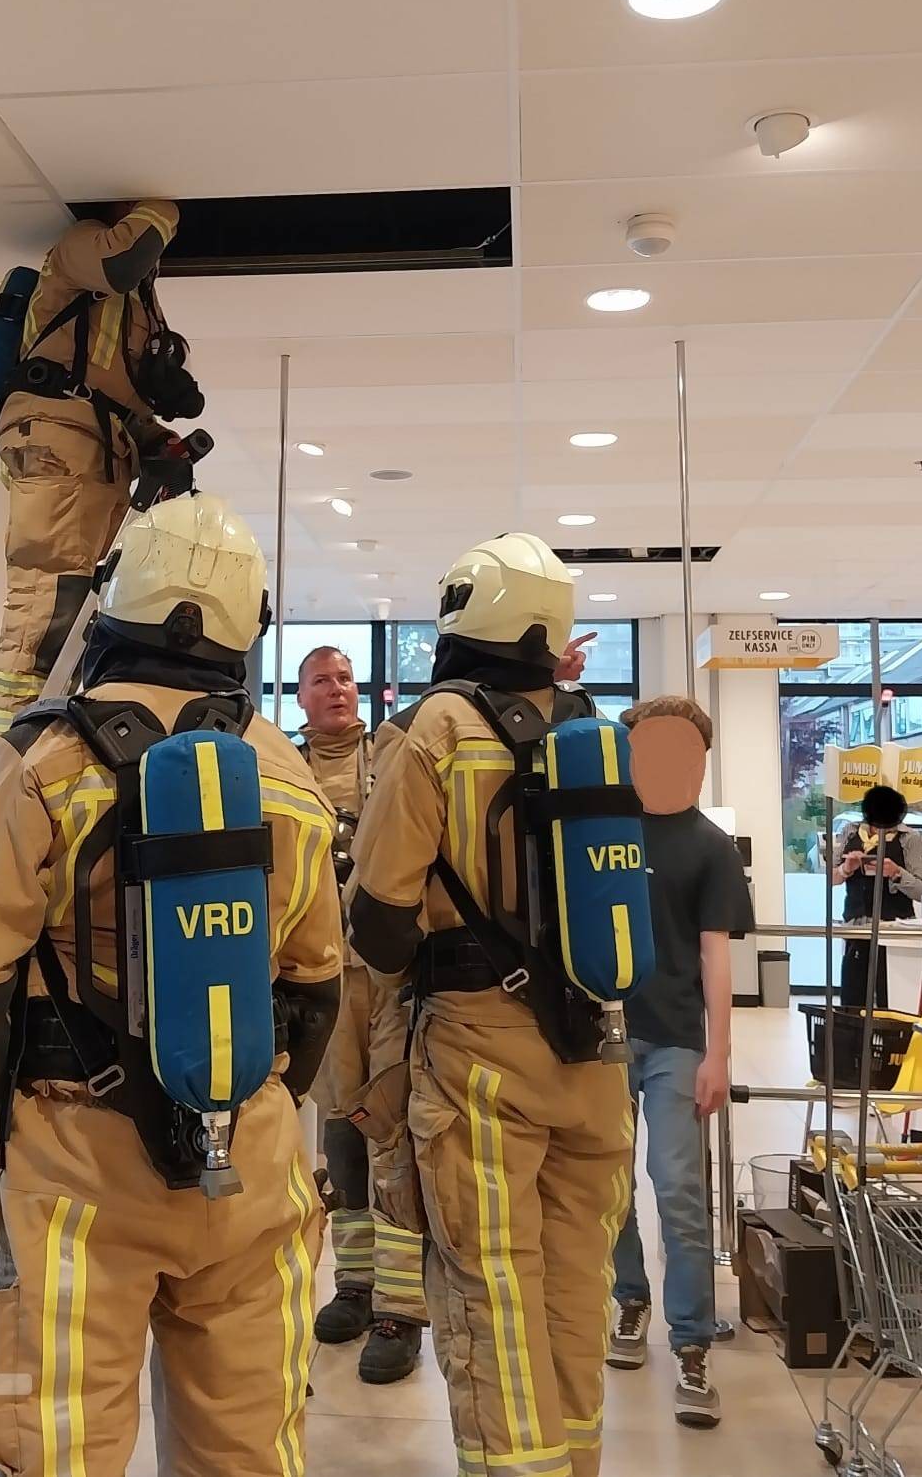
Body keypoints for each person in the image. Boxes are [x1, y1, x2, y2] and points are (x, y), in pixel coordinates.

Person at [0, 491, 343, 1477]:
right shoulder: (285, 772)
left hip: (78, 1163)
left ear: (116, 605)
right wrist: (251, 1102)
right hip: (252, 1159)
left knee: (55, 1446)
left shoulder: (48, 762)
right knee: (249, 1448)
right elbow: (318, 987)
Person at [348, 532, 632, 1477]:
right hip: (593, 1049)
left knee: (490, 1288)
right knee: (576, 1285)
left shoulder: (435, 731)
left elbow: (382, 923)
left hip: (478, 1050)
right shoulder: (591, 730)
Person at [0, 200, 204, 742]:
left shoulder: (144, 309)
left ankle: (55, 736)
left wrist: (160, 441)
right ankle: (5, 749)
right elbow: (122, 261)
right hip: (57, 435)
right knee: (49, 593)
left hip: (101, 450)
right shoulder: (79, 245)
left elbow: (120, 401)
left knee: (88, 607)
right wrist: (165, 209)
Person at [601, 697, 753, 1430]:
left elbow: (715, 955)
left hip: (672, 1041)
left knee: (679, 1191)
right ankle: (628, 1300)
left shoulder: (709, 846)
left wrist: (718, 1053)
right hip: (600, 1037)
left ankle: (691, 1342)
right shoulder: (601, 832)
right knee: (605, 1186)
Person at [293, 644, 427, 1384]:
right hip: (322, 976)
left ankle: (400, 1313)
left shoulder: (395, 754)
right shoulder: (279, 766)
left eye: (346, 679)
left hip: (391, 974)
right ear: (303, 697)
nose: (338, 690)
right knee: (341, 1134)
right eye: (323, 681)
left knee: (392, 1130)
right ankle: (355, 1284)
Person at [831, 795, 922, 1009]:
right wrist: (846, 869)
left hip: (894, 932)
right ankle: (851, 1042)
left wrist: (896, 873)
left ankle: (892, 1042)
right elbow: (830, 878)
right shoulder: (850, 832)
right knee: (852, 1000)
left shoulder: (909, 839)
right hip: (857, 928)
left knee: (891, 999)